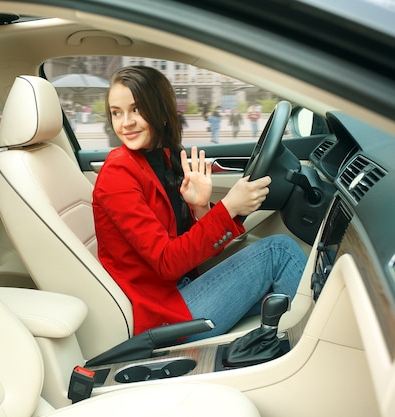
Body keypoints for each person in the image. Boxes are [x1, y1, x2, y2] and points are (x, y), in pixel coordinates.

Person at [92, 66, 306, 341]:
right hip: (165, 313)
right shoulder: (118, 174)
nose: (125, 123)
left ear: (160, 111)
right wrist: (228, 208)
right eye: (116, 112)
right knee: (281, 252)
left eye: (136, 109)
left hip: (182, 289)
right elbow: (167, 262)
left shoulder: (164, 159)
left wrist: (201, 208)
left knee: (280, 292)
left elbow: (190, 249)